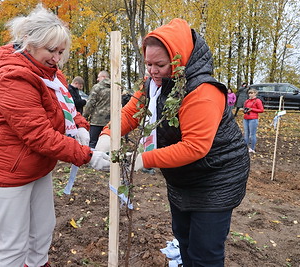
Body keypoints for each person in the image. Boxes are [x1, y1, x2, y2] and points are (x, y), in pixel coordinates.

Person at [96, 19, 250, 266]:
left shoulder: (202, 92)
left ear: (180, 60)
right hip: (182, 176)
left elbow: (195, 147)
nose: (152, 71)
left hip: (217, 177)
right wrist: (106, 137)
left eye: (160, 65)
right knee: (184, 240)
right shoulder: (154, 85)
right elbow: (130, 112)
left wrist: (141, 159)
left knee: (205, 252)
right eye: (148, 64)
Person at [0, 5, 109, 267]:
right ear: (29, 43)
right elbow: (39, 135)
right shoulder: (13, 77)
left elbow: (66, 108)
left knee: (42, 231)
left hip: (35, 167)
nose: (57, 58)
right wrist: (87, 156)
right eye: (51, 50)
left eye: (61, 51)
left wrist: (79, 126)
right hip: (5, 172)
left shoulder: (52, 75)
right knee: (13, 243)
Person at [82, 70, 111, 148]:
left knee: (93, 142)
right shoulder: (116, 87)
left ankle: (93, 159)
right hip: (111, 121)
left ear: (104, 77)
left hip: (97, 120)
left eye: (99, 77)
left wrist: (84, 116)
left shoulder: (97, 87)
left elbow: (90, 103)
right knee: (109, 143)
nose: (97, 79)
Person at [243, 88, 264, 153]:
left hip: (253, 119)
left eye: (252, 93)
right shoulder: (247, 101)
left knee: (252, 134)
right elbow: (245, 108)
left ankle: (252, 148)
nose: (250, 94)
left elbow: (261, 110)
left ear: (255, 93)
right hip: (246, 118)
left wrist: (252, 109)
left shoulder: (257, 101)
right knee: (246, 133)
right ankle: (245, 147)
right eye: (249, 93)